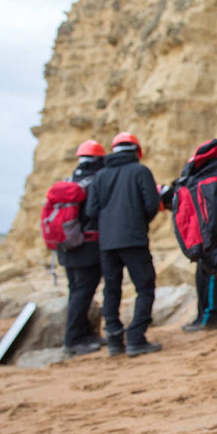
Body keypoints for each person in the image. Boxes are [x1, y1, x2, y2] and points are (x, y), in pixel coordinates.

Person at [85, 132, 163, 357]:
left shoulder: (100, 175)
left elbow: (91, 211)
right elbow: (152, 204)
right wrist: (137, 221)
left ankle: (114, 340)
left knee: (111, 289)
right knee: (145, 287)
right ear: (136, 150)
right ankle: (136, 338)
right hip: (134, 239)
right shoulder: (140, 171)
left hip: (107, 243)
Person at [61, 140, 106, 356]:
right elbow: (94, 212)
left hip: (65, 246)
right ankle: (73, 339)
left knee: (75, 291)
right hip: (87, 246)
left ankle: (85, 333)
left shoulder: (68, 180)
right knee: (84, 292)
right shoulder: (95, 182)